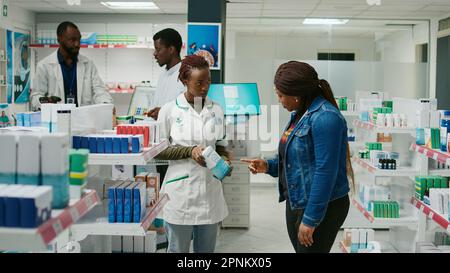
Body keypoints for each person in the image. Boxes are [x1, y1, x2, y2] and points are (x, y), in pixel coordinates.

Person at [241, 61, 354, 253]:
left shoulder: (326, 118)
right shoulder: (301, 114)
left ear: (297, 95)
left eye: (281, 95)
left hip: (321, 207)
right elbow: (295, 160)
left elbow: (325, 172)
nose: (279, 100)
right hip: (298, 200)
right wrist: (267, 165)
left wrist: (310, 219)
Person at [155, 55, 231, 253]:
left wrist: (224, 161)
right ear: (184, 81)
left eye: (208, 82)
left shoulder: (217, 109)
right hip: (181, 195)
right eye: (199, 82)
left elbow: (221, 145)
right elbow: (158, 150)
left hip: (209, 192)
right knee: (178, 251)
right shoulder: (169, 110)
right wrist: (189, 151)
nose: (205, 87)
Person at [30, 21, 113, 110]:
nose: (77, 44)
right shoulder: (44, 65)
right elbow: (36, 95)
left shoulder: (88, 64)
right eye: (72, 40)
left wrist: (106, 104)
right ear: (59, 39)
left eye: (79, 39)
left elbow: (99, 90)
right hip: (57, 119)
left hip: (83, 118)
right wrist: (44, 102)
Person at [146, 28, 185, 120]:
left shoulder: (186, 74)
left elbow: (191, 109)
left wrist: (164, 112)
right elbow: (156, 104)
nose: (155, 54)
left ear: (171, 49)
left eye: (158, 49)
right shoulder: (162, 76)